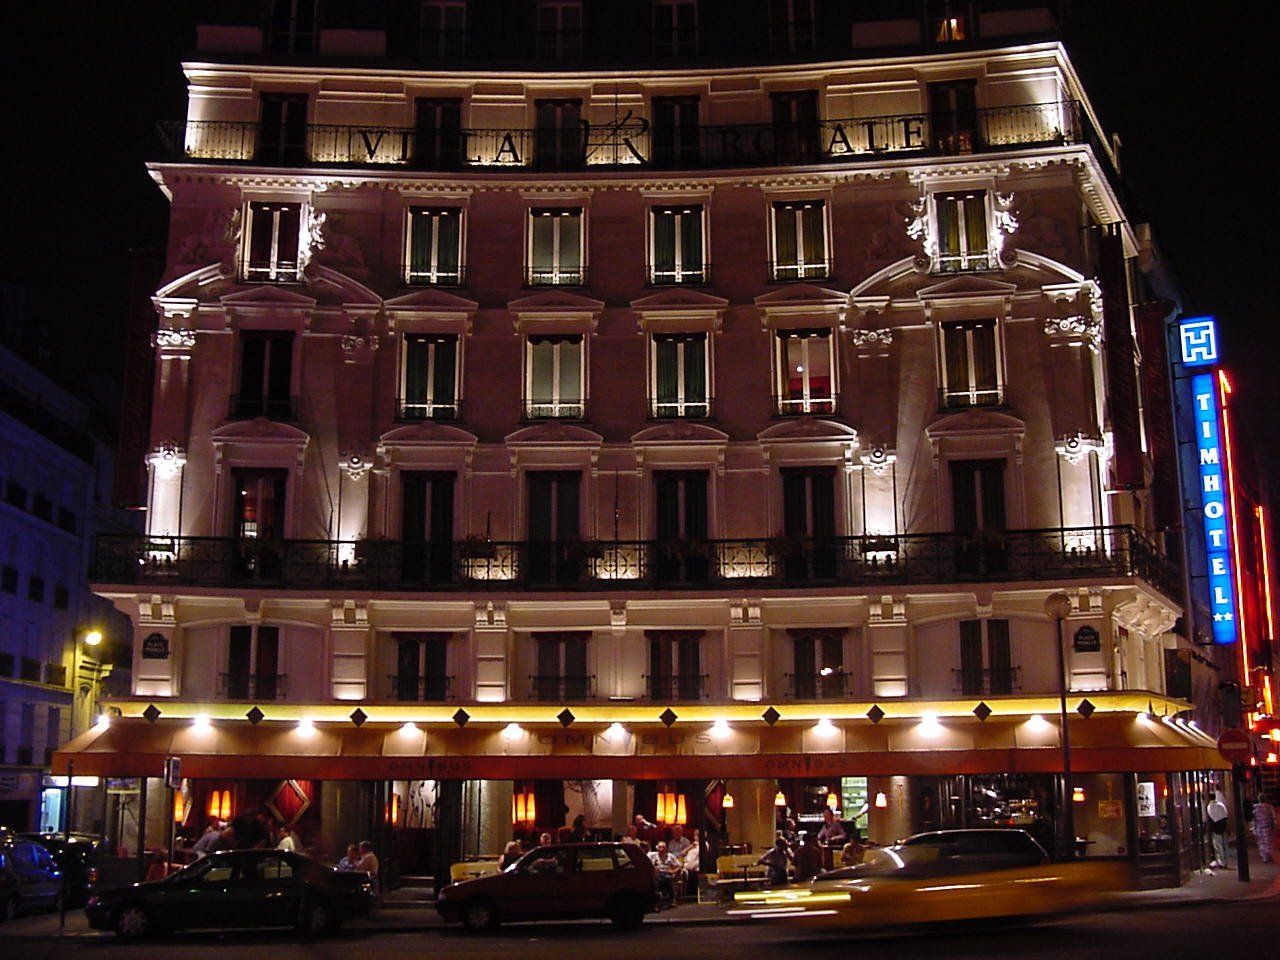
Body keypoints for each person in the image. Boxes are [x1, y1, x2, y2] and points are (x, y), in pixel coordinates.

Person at [1206, 790, 1230, 868]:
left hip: (1216, 828)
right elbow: (1226, 815)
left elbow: (1211, 818)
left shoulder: (1210, 807)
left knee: (1218, 845)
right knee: (1224, 844)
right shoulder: (1221, 805)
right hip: (1223, 825)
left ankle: (1221, 861)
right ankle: (1225, 861)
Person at [1253, 791, 1277, 863]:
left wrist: (1254, 827)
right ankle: (1269, 854)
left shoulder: (1255, 808)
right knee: (1268, 841)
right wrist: (1275, 825)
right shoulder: (1270, 807)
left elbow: (1254, 819)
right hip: (1268, 827)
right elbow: (1273, 817)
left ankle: (1264, 856)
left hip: (1259, 827)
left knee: (1261, 842)